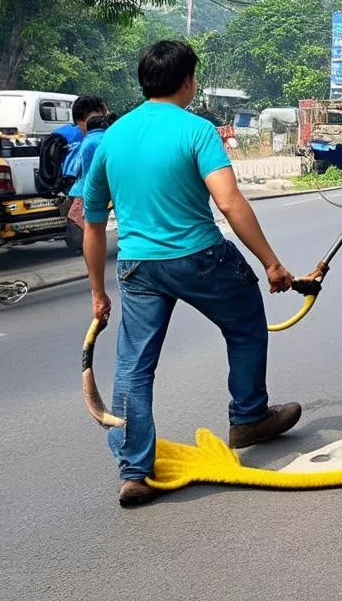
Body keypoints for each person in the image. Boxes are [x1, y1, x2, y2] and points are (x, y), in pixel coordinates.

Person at [83, 40, 298, 508]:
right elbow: (229, 202)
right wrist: (271, 263)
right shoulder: (198, 131)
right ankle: (248, 417)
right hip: (201, 258)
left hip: (137, 267)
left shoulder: (110, 138)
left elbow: (93, 224)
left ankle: (134, 470)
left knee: (133, 366)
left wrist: (99, 292)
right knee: (245, 326)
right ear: (188, 81)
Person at [65, 111, 117, 231]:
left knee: (85, 223)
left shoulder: (86, 141)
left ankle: (84, 247)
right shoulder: (109, 138)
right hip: (113, 186)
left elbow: (78, 167)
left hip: (86, 189)